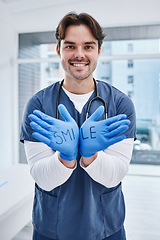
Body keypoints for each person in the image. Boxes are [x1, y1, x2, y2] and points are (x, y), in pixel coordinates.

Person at [20, 12, 136, 240]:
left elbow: (116, 174)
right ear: (58, 50)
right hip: (52, 230)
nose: (79, 55)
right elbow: (41, 177)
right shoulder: (38, 105)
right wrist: (65, 158)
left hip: (106, 228)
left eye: (89, 47)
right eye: (70, 46)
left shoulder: (120, 104)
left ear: (99, 51)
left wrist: (90, 156)